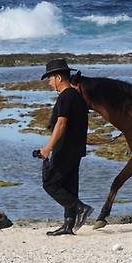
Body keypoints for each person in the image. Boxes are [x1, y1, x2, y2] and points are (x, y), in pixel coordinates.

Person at [38, 59, 93, 236]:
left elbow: (61, 124)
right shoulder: (77, 96)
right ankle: (68, 225)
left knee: (50, 183)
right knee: (69, 186)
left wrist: (48, 148)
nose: (49, 82)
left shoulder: (66, 96)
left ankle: (80, 208)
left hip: (66, 148)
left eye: (50, 78)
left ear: (59, 77)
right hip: (76, 148)